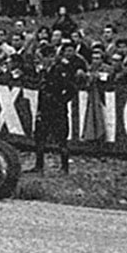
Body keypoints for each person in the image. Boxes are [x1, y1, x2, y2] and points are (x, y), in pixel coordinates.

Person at [34, 39, 86, 173]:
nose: (43, 61)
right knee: (40, 137)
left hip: (57, 109)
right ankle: (39, 165)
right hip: (44, 108)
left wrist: (61, 101)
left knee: (61, 138)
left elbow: (72, 88)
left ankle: (64, 167)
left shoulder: (60, 70)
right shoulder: (44, 71)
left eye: (45, 57)